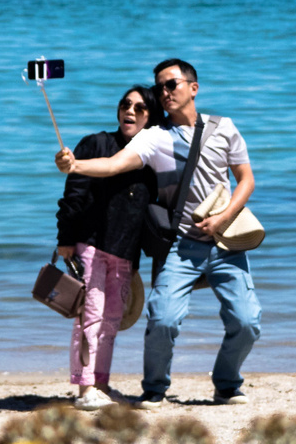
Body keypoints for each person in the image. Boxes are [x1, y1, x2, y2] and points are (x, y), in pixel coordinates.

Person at [56, 57, 259, 408]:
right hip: (182, 245)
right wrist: (75, 165)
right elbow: (113, 164)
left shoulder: (224, 127)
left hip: (226, 241)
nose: (164, 92)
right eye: (160, 86)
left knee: (247, 322)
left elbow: (247, 179)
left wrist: (225, 217)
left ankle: (226, 384)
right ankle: (153, 388)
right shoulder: (155, 138)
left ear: (193, 88)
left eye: (172, 84)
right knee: (162, 318)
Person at [55, 86, 163, 411]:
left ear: (151, 117)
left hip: (125, 252)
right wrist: (64, 239)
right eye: (126, 105)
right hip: (90, 243)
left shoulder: (151, 157)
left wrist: (137, 260)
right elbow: (73, 193)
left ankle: (101, 383)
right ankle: (84, 387)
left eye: (140, 108)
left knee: (112, 320)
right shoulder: (96, 143)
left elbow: (147, 212)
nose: (130, 111)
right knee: (89, 317)